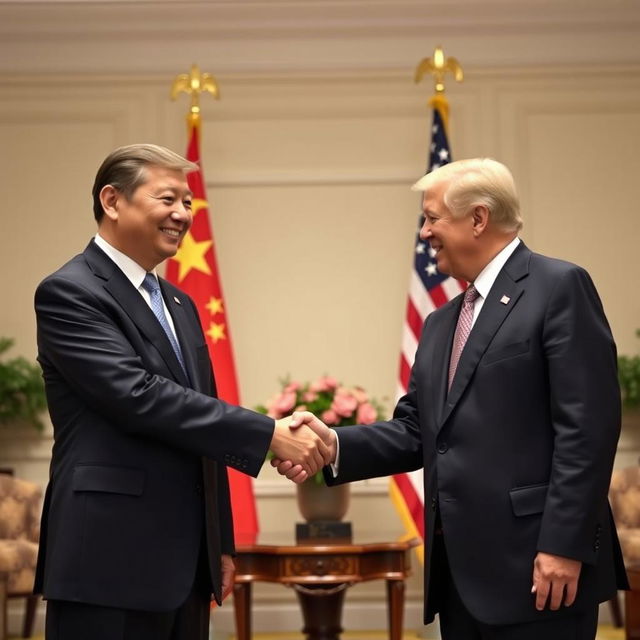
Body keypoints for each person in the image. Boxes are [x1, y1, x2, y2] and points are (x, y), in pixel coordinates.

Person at [275, 158, 629, 639]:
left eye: (432, 217)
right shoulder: (442, 322)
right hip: (461, 576)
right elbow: (417, 431)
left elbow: (587, 430)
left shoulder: (558, 287)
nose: (424, 233)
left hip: (540, 568)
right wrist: (332, 443)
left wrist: (563, 546)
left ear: (478, 219)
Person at [34, 143, 330, 640]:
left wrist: (220, 544)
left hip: (184, 566)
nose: (182, 214)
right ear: (112, 201)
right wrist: (269, 434)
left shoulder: (178, 302)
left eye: (188, 202)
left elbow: (202, 422)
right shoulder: (70, 291)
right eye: (168, 198)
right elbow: (138, 396)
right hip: (106, 559)